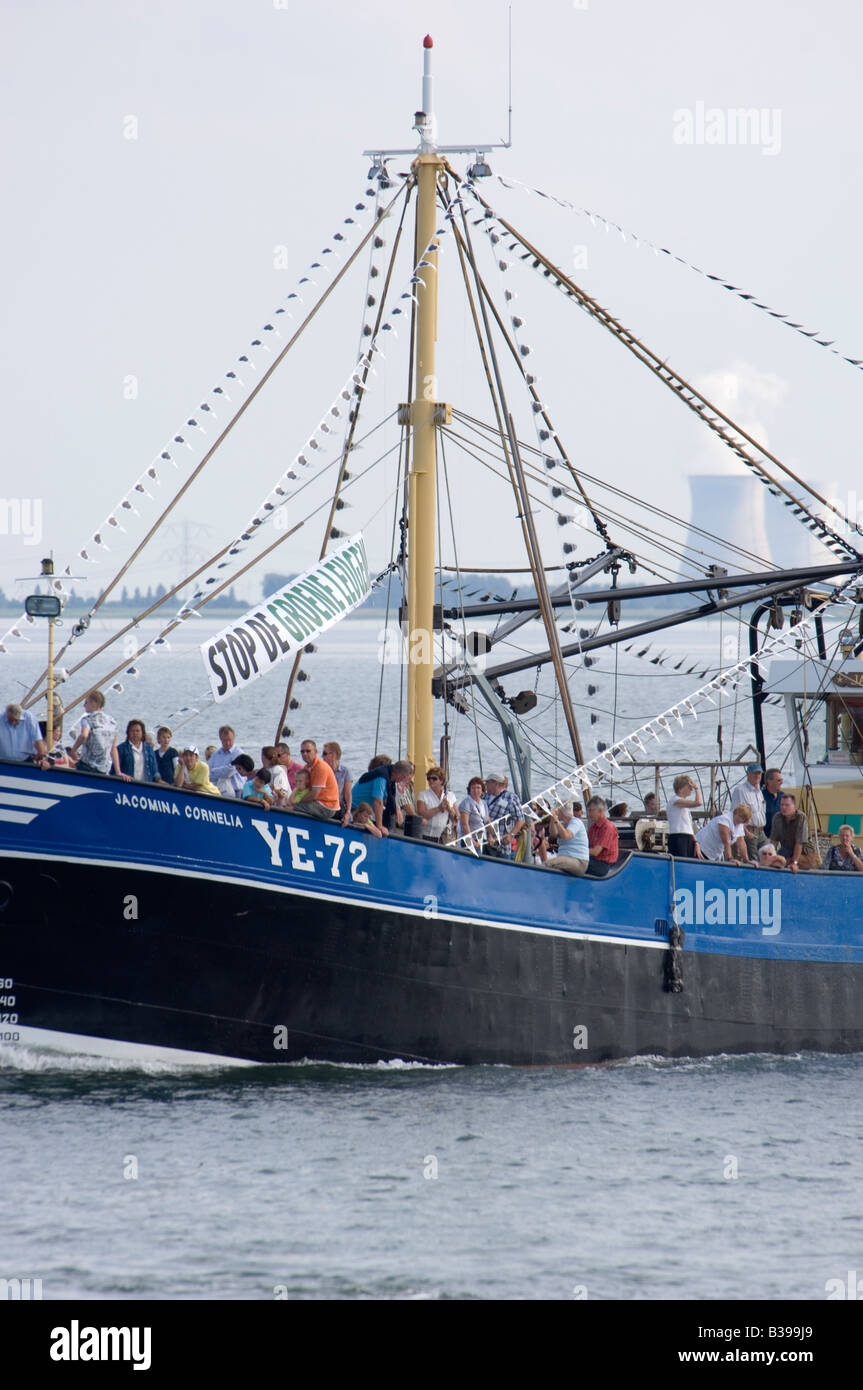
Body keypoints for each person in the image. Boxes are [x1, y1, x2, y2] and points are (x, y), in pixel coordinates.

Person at [353, 756, 413, 835]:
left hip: (364, 811)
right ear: (399, 775)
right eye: (404, 777)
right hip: (355, 810)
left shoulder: (390, 777)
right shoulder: (381, 777)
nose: (403, 780)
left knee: (379, 833)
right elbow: (378, 801)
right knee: (379, 833)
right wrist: (380, 826)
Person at [70, 690, 120, 776]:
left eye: (86, 702)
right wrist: (118, 771)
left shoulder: (88, 719)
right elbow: (113, 748)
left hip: (87, 765)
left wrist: (74, 750)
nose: (84, 705)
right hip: (103, 768)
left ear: (94, 703)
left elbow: (84, 735)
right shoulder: (112, 722)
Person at [769, 793, 818, 873]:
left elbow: (799, 843)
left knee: (786, 864)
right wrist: (770, 856)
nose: (784, 807)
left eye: (787, 805)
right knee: (773, 863)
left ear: (794, 806)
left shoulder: (801, 817)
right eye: (782, 805)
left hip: (804, 852)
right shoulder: (777, 817)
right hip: (786, 850)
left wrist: (794, 862)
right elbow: (774, 841)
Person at [484, 773, 526, 860]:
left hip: (502, 847)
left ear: (495, 784)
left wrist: (511, 835)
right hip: (484, 842)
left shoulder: (511, 798)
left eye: (488, 782)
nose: (485, 785)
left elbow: (520, 819)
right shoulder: (485, 797)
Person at [731, 762, 768, 855]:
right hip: (749, 830)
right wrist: (745, 831)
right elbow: (735, 813)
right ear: (748, 774)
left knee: (768, 854)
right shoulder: (740, 790)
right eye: (754, 773)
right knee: (753, 858)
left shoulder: (759, 791)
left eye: (759, 773)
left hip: (761, 831)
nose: (757, 775)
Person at [543, 801, 590, 876]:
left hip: (579, 861)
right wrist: (553, 818)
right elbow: (553, 833)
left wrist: (556, 820)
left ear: (561, 812)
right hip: (566, 858)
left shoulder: (576, 822)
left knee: (547, 864)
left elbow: (566, 835)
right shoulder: (562, 824)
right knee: (549, 863)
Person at [416, 767, 458, 844]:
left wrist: (449, 808)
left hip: (445, 837)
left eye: (434, 779)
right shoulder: (423, 795)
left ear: (441, 781)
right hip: (427, 835)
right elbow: (421, 814)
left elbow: (457, 818)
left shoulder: (451, 796)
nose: (430, 780)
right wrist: (438, 808)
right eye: (429, 778)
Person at [298, 739, 340, 816]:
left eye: (308, 751)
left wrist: (297, 801)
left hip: (327, 806)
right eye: (302, 751)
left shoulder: (321, 767)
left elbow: (314, 794)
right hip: (316, 802)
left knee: (293, 806)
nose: (305, 754)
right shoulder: (306, 768)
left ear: (315, 752)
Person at [667, 773, 704, 859]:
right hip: (678, 836)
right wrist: (697, 789)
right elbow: (698, 803)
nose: (691, 789)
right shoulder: (674, 800)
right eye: (688, 787)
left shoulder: (685, 808)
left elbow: (688, 826)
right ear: (680, 789)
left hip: (687, 837)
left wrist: (695, 842)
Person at [586, 796, 619, 876]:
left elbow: (595, 852)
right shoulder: (593, 827)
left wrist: (576, 851)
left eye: (591, 811)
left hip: (604, 865)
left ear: (600, 811)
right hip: (594, 860)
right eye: (588, 811)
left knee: (575, 864)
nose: (589, 814)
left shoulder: (608, 828)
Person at [323, 741, 353, 824]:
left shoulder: (345, 772)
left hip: (338, 806)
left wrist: (348, 812)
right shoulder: (321, 770)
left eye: (325, 754)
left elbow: (348, 794)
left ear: (333, 755)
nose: (322, 756)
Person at [208, 726, 244, 795]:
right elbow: (207, 770)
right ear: (220, 739)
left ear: (234, 738)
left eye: (230, 740)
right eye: (225, 740)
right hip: (218, 790)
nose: (227, 743)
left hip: (236, 791)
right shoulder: (216, 754)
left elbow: (228, 771)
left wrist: (213, 771)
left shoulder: (238, 753)